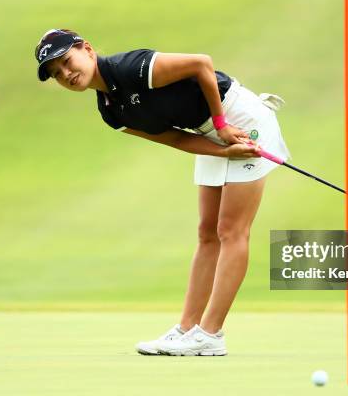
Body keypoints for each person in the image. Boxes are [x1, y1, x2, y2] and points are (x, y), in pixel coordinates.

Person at [34, 29, 290, 356]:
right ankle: (186, 329)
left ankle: (210, 334)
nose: (66, 74)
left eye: (67, 62)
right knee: (207, 232)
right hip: (209, 134)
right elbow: (176, 139)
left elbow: (202, 65)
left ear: (87, 49)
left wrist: (223, 125)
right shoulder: (111, 112)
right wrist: (221, 151)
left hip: (241, 116)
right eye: (56, 73)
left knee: (231, 230)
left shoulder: (129, 68)